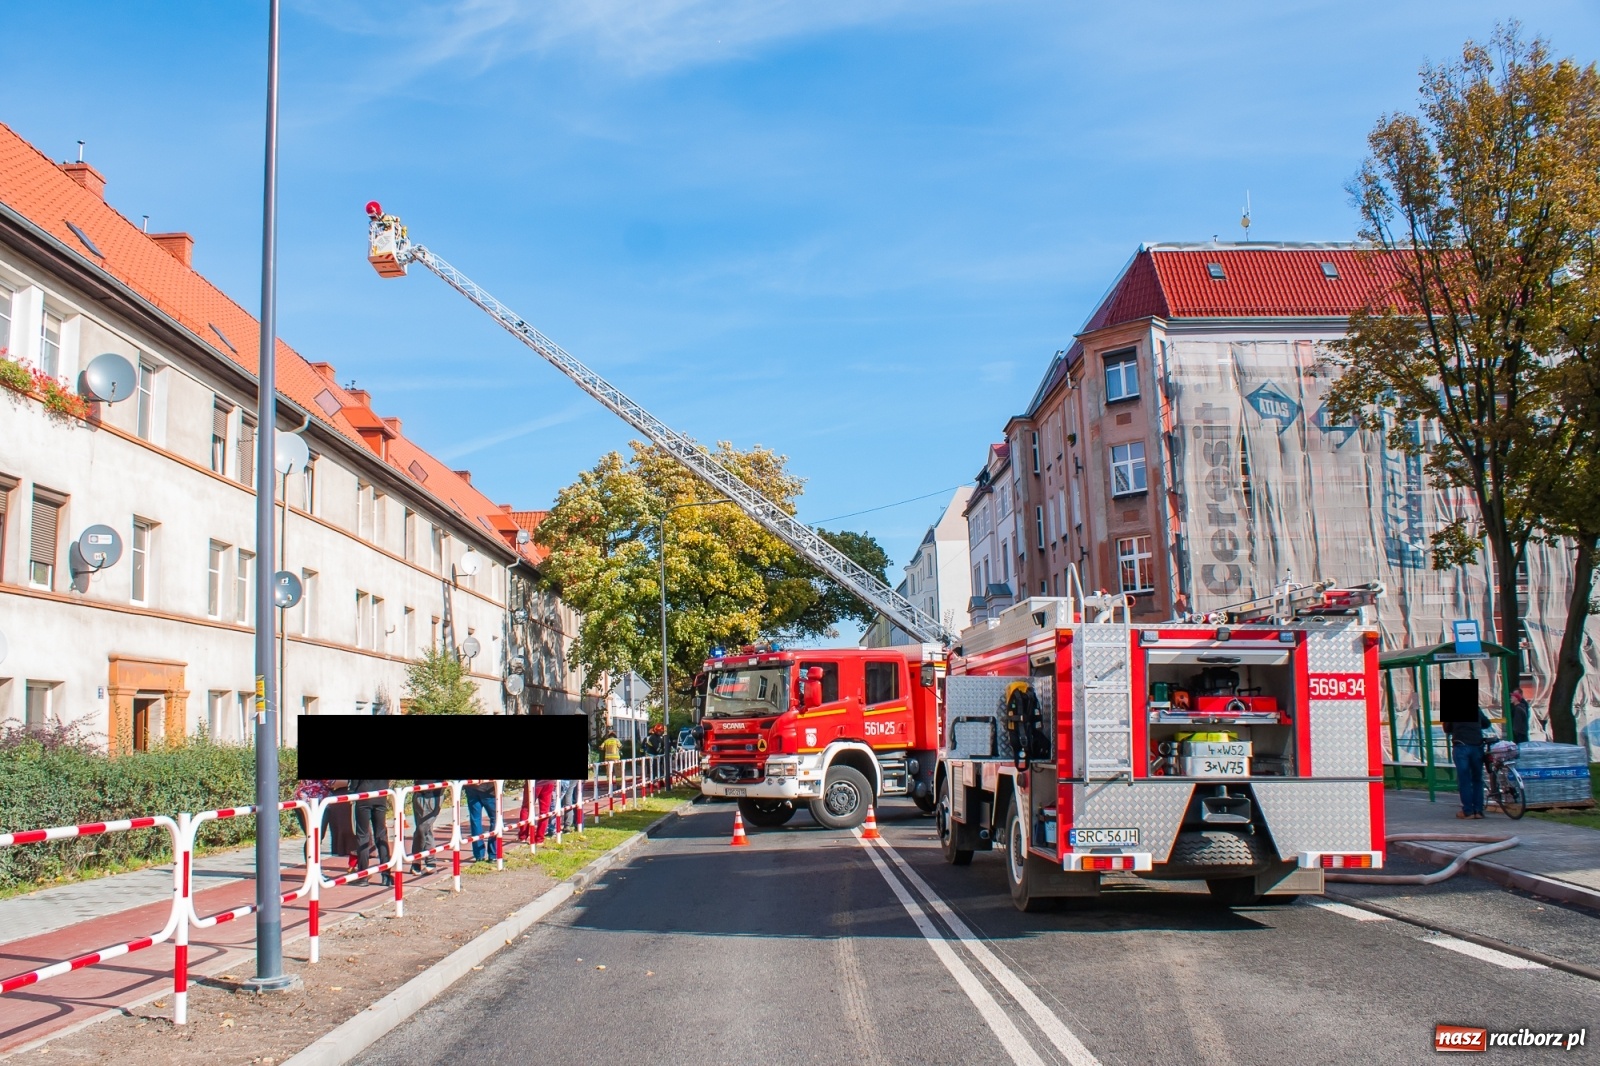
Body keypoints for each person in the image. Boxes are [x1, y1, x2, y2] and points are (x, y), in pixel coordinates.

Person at [1450, 708, 1493, 819]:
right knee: (1477, 779)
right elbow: (1487, 723)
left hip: (1461, 745)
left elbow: (1447, 728)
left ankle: (1468, 811)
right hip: (1477, 746)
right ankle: (1478, 811)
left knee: (1464, 779)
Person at [350, 778, 394, 886]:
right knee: (381, 834)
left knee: (363, 835)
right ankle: (386, 875)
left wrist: (352, 791)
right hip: (381, 793)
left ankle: (363, 876)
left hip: (364, 794)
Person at [409, 780, 442, 875]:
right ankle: (430, 863)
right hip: (419, 792)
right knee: (426, 829)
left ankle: (418, 860)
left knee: (423, 828)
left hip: (433, 794)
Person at [463, 779, 499, 863]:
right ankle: (493, 854)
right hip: (488, 789)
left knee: (475, 820)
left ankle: (479, 855)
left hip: (471, 787)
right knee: (496, 819)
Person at [532, 779, 558, 844]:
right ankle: (539, 838)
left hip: (535, 783)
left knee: (526, 808)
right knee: (545, 812)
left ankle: (523, 837)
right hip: (549, 782)